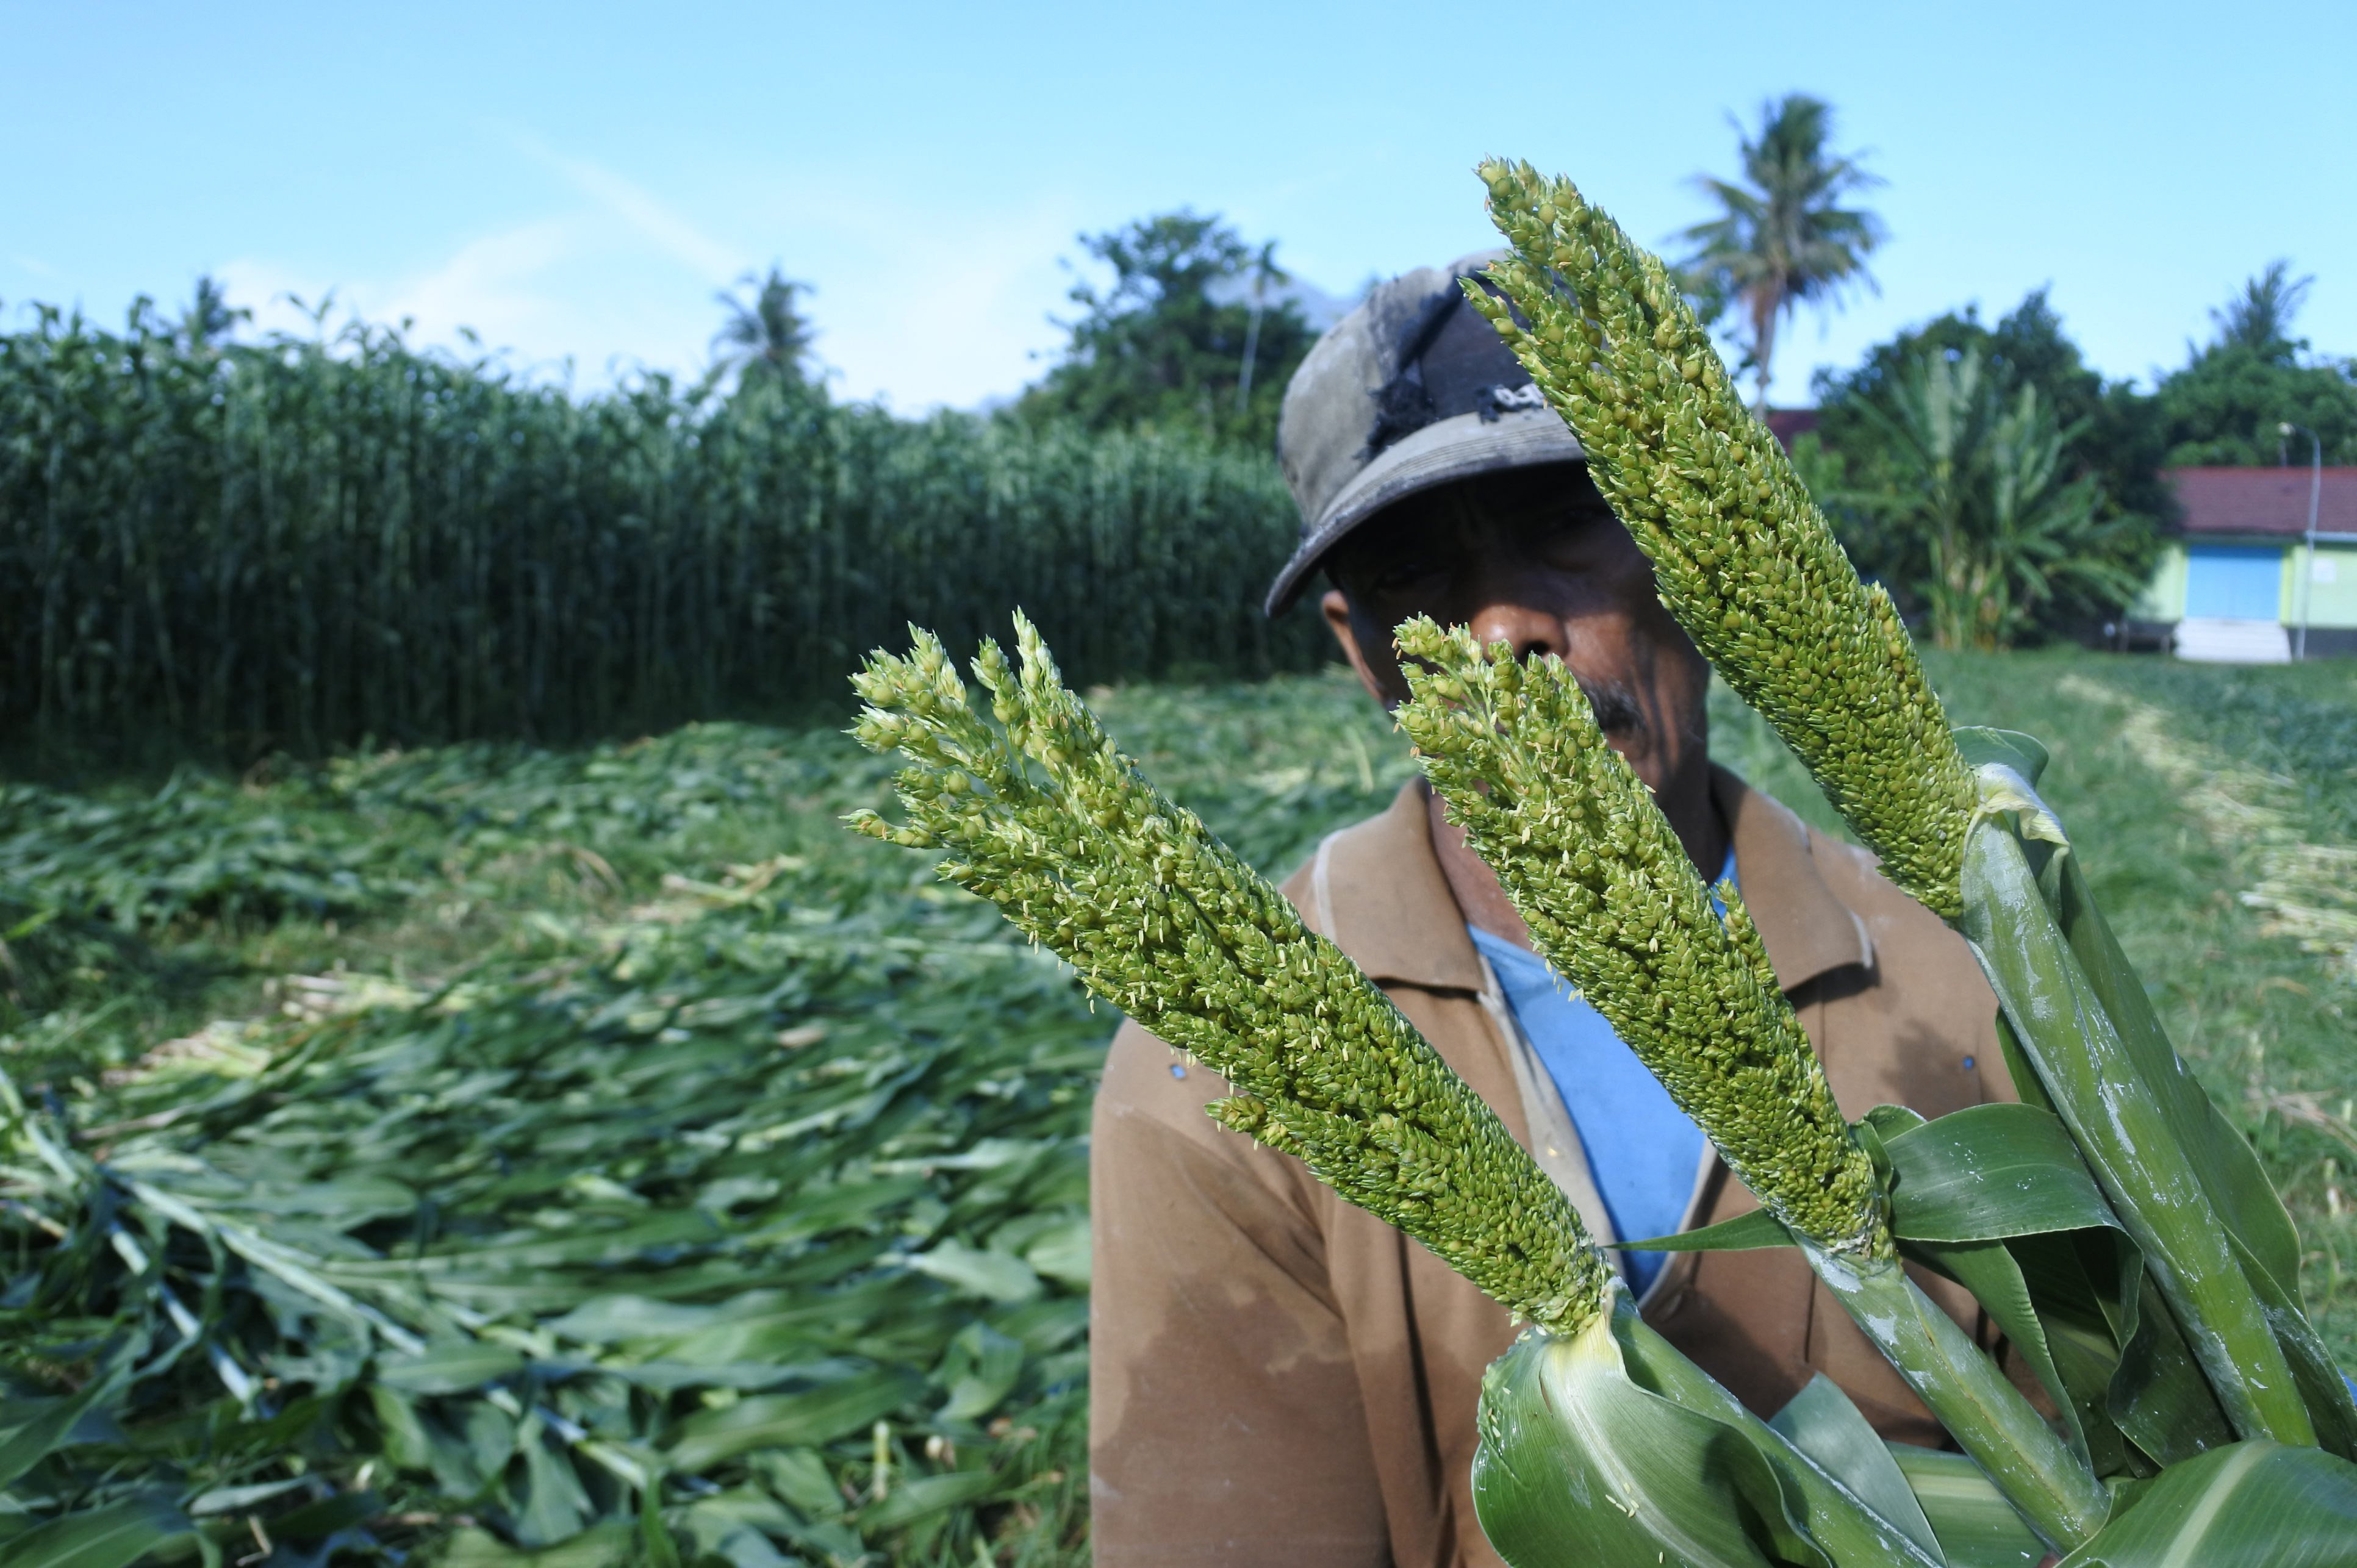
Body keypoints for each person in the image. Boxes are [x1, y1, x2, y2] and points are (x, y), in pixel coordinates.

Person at [1087, 254, 2011, 1568]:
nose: (1509, 624)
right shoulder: (1219, 1084)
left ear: (1693, 544)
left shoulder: (1957, 988)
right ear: (1363, 654)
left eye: (1563, 517)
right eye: (1422, 569)